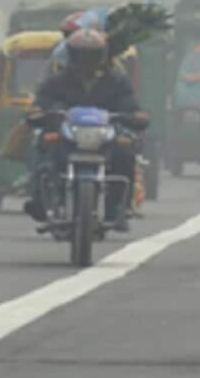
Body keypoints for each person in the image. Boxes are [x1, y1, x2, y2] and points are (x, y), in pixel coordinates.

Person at [27, 29, 148, 232]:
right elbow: (42, 102)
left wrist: (136, 115)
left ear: (101, 57)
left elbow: (129, 105)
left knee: (125, 154)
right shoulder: (57, 82)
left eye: (91, 56)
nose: (86, 61)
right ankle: (40, 200)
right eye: (81, 55)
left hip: (103, 138)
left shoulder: (116, 82)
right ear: (72, 56)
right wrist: (40, 112)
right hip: (67, 137)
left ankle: (118, 208)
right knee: (42, 148)